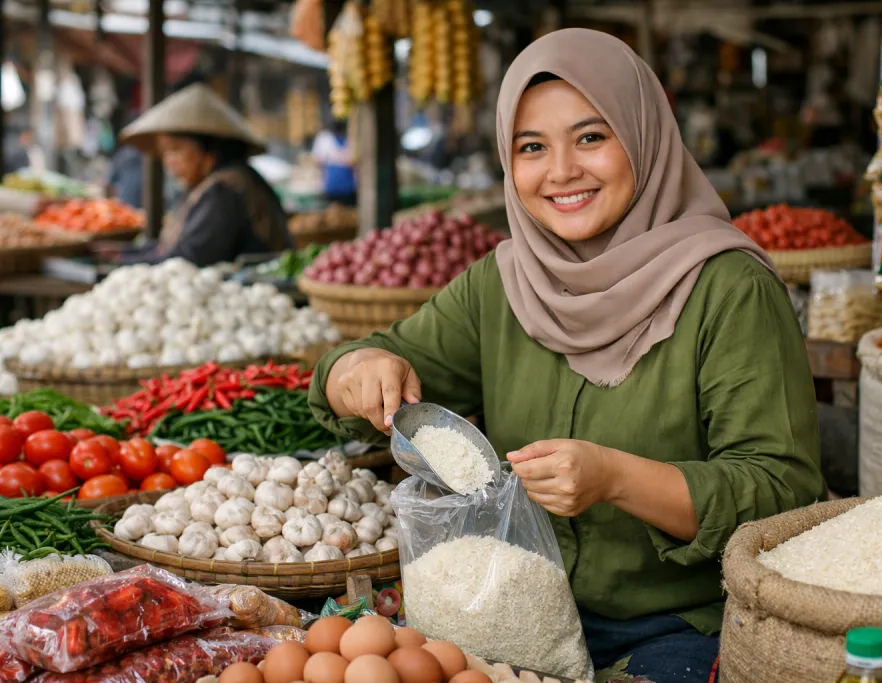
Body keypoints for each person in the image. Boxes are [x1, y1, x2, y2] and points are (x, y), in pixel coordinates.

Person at [308, 29, 825, 682]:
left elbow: (783, 494)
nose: (561, 172)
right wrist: (358, 371)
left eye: (591, 137)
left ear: (643, 137)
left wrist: (616, 479)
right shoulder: (503, 283)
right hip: (514, 611)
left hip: (682, 627)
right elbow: (377, 364)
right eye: (531, 147)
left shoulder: (729, 289)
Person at [97, 83, 290, 267]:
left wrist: (123, 261)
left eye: (176, 150)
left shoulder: (224, 189)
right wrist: (124, 253)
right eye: (165, 153)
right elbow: (170, 248)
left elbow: (189, 258)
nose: (168, 161)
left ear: (208, 152)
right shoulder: (208, 184)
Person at [312, 121, 357, 206]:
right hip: (337, 188)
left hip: (344, 188)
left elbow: (318, 162)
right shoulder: (326, 140)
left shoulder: (348, 141)